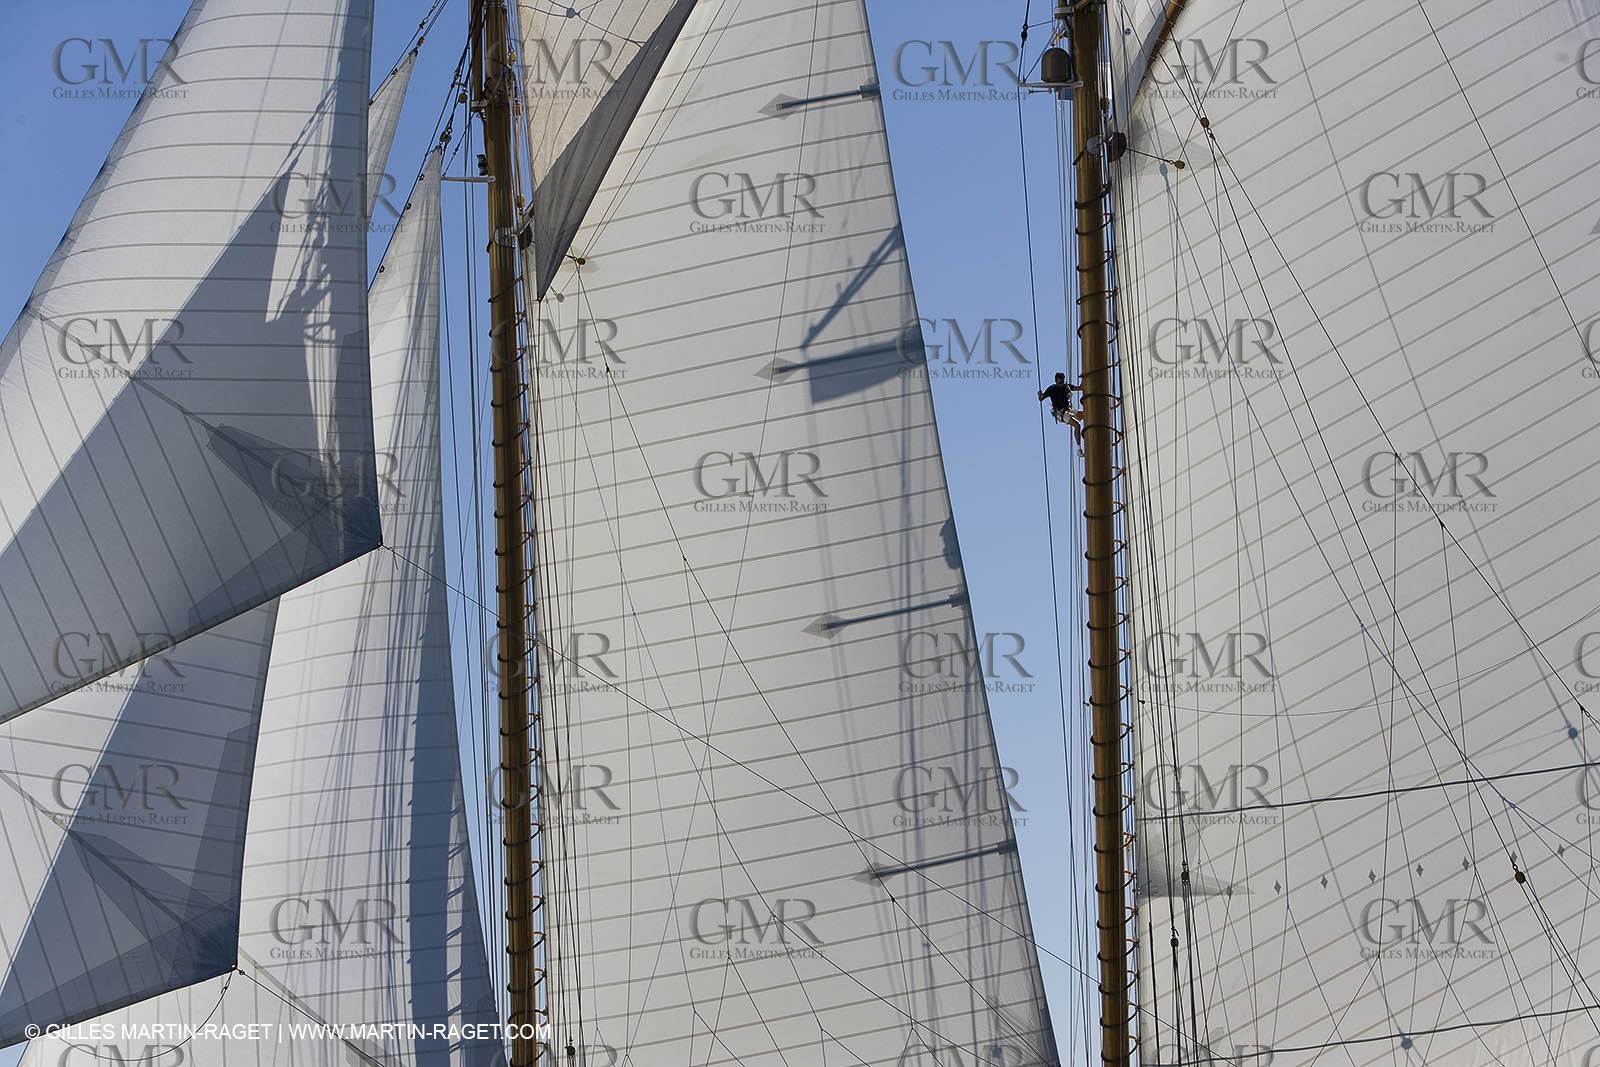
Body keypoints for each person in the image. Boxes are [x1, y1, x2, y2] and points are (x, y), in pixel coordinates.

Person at [1037, 372, 1084, 455]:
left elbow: (1080, 388)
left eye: (1062, 382)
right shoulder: (1051, 389)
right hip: (1060, 413)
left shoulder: (1066, 387)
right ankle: (1079, 449)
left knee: (1082, 415)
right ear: (1056, 381)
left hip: (1068, 409)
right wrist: (1039, 395)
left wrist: (1084, 378)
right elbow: (1041, 398)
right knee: (1077, 425)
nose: (1061, 384)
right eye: (1059, 383)